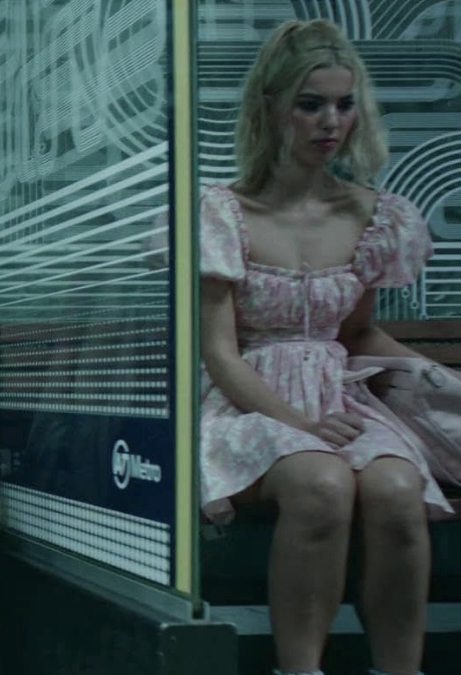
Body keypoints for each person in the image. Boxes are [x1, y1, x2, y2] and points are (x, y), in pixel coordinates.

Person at [197, 19, 452, 675]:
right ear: (271, 107)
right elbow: (220, 353)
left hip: (339, 398)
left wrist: (433, 376)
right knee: (321, 483)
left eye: (343, 104)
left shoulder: (373, 213)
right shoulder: (223, 211)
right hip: (248, 403)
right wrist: (299, 424)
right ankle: (300, 670)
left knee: (397, 489)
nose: (330, 122)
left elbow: (356, 334)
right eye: (310, 104)